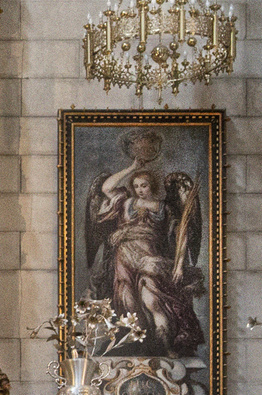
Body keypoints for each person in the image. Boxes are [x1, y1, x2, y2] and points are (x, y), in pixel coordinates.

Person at [86, 151, 205, 358]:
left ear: (153, 186)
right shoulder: (125, 202)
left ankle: (166, 347)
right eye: (137, 186)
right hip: (124, 257)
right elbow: (106, 188)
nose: (140, 190)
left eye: (145, 185)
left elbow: (182, 236)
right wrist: (132, 167)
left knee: (153, 301)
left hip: (149, 259)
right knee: (128, 304)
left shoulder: (165, 207)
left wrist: (178, 266)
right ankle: (137, 349)